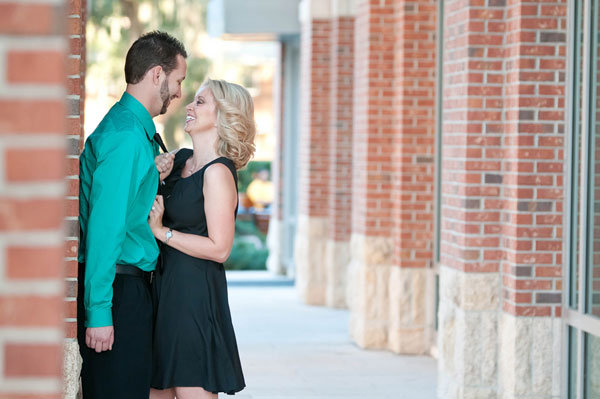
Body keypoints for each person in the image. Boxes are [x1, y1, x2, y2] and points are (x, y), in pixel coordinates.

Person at [77, 31, 187, 399]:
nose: (179, 93)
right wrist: (100, 313)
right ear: (157, 74)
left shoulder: (135, 134)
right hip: (120, 294)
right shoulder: (126, 137)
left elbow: (126, 204)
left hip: (130, 291)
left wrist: (153, 173)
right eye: (178, 81)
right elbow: (105, 230)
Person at [148, 78, 256, 399]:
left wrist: (162, 233)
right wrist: (154, 175)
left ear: (223, 116)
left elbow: (220, 248)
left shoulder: (218, 173)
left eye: (201, 102)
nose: (190, 107)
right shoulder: (178, 160)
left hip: (193, 299)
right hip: (163, 293)